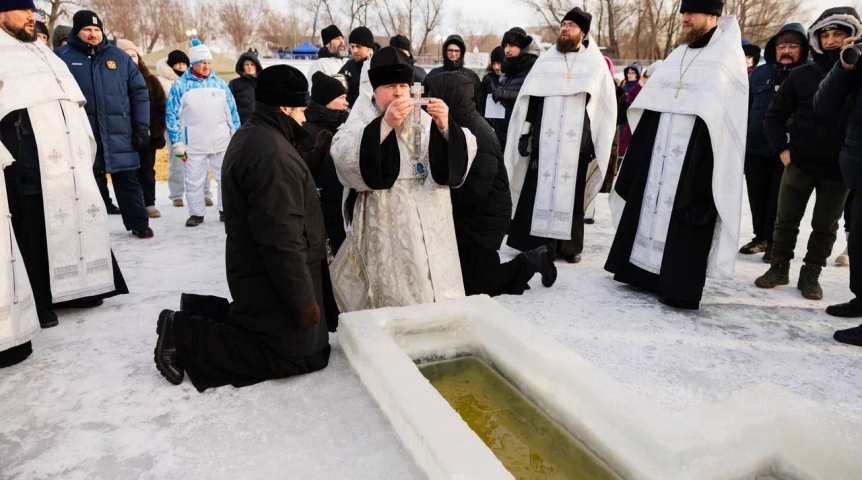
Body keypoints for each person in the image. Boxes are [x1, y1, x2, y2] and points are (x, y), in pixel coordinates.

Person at [153, 65, 332, 392]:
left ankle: (195, 312)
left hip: (255, 269)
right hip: (268, 272)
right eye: (302, 109)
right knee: (299, 356)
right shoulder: (271, 154)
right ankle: (183, 332)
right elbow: (281, 239)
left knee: (304, 345)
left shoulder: (258, 134)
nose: (305, 118)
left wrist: (312, 160)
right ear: (284, 108)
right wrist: (304, 302)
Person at [605, 1, 748, 310]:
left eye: (691, 13)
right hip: (659, 149)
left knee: (685, 209)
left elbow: (726, 117)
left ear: (712, 15)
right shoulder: (679, 54)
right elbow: (654, 101)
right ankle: (640, 272)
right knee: (648, 202)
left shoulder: (727, 57)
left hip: (696, 154)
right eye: (683, 12)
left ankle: (675, 284)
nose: (684, 18)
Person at [0, 2, 128, 345]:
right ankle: (41, 300)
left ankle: (79, 289)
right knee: (32, 226)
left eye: (33, 12)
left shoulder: (41, 52)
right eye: (22, 11)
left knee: (75, 216)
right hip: (26, 161)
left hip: (66, 160)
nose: (33, 17)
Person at [330, 47, 476, 310]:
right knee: (394, 298)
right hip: (388, 225)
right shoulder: (362, 117)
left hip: (433, 224)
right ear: (375, 90)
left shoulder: (424, 115)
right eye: (389, 86)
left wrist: (446, 126)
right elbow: (342, 154)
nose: (398, 92)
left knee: (437, 296)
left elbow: (463, 154)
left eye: (402, 85)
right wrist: (384, 125)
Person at [755, 7, 860, 301]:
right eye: (825, 34)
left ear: (852, 36)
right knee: (785, 219)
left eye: (838, 33)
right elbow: (773, 116)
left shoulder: (858, 76)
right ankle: (778, 267)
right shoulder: (802, 75)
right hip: (799, 161)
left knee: (825, 226)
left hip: (838, 169)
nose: (831, 40)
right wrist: (784, 150)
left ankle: (811, 274)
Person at [426, 71, 557, 295]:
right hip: (470, 216)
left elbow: (478, 189)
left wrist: (441, 195)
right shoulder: (458, 122)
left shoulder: (476, 131)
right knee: (463, 279)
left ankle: (534, 259)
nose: (428, 102)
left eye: (433, 96)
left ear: (449, 97)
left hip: (483, 219)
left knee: (476, 286)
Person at [505, 8, 617, 265]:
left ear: (583, 33)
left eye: (571, 26)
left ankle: (569, 247)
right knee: (537, 189)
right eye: (563, 24)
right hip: (544, 141)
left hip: (576, 144)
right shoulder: (545, 62)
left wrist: (593, 141)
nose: (565, 28)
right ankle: (533, 243)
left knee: (573, 194)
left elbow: (603, 109)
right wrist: (526, 131)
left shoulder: (595, 65)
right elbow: (531, 100)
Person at [55, 10, 152, 238]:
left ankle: (139, 223)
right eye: (87, 30)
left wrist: (141, 126)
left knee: (128, 180)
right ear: (76, 32)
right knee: (89, 183)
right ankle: (89, 228)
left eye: (97, 29)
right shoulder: (61, 56)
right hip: (83, 134)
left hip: (120, 133)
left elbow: (139, 92)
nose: (93, 34)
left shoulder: (119, 57)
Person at [739, 23, 809, 261]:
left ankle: (774, 241)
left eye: (793, 46)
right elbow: (745, 107)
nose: (786, 50)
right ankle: (761, 237)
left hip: (788, 149)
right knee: (757, 196)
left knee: (779, 199)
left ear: (803, 48)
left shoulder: (808, 74)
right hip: (756, 145)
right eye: (782, 46)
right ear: (773, 48)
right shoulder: (759, 74)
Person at [815, 17, 862, 342]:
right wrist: (843, 69)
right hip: (856, 167)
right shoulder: (855, 59)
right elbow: (824, 105)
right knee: (858, 239)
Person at [166, 38, 240, 227]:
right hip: (193, 144)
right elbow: (172, 116)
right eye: (202, 63)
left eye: (208, 62)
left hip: (221, 141)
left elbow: (232, 113)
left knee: (225, 179)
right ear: (193, 64)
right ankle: (197, 213)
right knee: (193, 181)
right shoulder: (180, 86)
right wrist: (177, 142)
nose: (206, 66)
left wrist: (236, 137)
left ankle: (226, 210)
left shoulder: (220, 85)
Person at [300, 72, 351, 255]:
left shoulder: (347, 124)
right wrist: (317, 154)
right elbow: (300, 167)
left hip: (344, 199)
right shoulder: (305, 128)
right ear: (326, 100)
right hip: (321, 204)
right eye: (341, 97)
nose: (346, 102)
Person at [156, 50, 213, 209]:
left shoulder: (194, 80)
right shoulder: (161, 82)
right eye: (177, 64)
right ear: (171, 65)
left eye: (183, 64)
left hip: (196, 126)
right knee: (177, 162)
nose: (181, 67)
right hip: (174, 128)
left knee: (201, 159)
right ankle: (176, 195)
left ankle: (205, 192)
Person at [118, 39, 167, 220]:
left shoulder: (152, 81)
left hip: (147, 136)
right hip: (123, 136)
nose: (131, 59)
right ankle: (132, 205)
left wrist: (151, 130)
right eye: (126, 56)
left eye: (134, 55)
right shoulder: (115, 80)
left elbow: (160, 106)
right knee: (127, 174)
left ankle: (149, 202)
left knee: (147, 170)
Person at [492, 27, 540, 152]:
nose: (507, 49)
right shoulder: (507, 68)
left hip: (521, 132)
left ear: (522, 46)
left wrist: (505, 94)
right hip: (502, 131)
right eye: (505, 45)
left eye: (512, 45)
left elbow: (533, 98)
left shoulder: (533, 67)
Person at [425, 35, 485, 115]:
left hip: (465, 122)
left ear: (461, 53)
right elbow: (423, 98)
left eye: (457, 51)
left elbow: (480, 102)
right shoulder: (434, 74)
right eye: (450, 50)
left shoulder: (471, 76)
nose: (453, 54)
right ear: (445, 52)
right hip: (438, 120)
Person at [618, 60, 662, 159]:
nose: (630, 75)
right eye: (629, 73)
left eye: (632, 72)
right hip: (631, 123)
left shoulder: (643, 89)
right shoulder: (634, 88)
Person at [338, 26, 375, 106]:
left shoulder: (378, 65)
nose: (354, 50)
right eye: (352, 46)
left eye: (359, 46)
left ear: (369, 47)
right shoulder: (349, 66)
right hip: (351, 115)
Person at [228, 52, 262, 125]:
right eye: (246, 64)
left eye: (252, 64)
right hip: (242, 125)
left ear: (257, 66)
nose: (249, 67)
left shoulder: (264, 83)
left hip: (261, 125)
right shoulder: (234, 83)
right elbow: (229, 105)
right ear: (242, 67)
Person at [482, 46, 505, 147]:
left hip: (505, 126)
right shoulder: (488, 79)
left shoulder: (511, 79)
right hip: (491, 125)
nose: (496, 67)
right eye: (494, 63)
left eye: (499, 63)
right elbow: (481, 102)